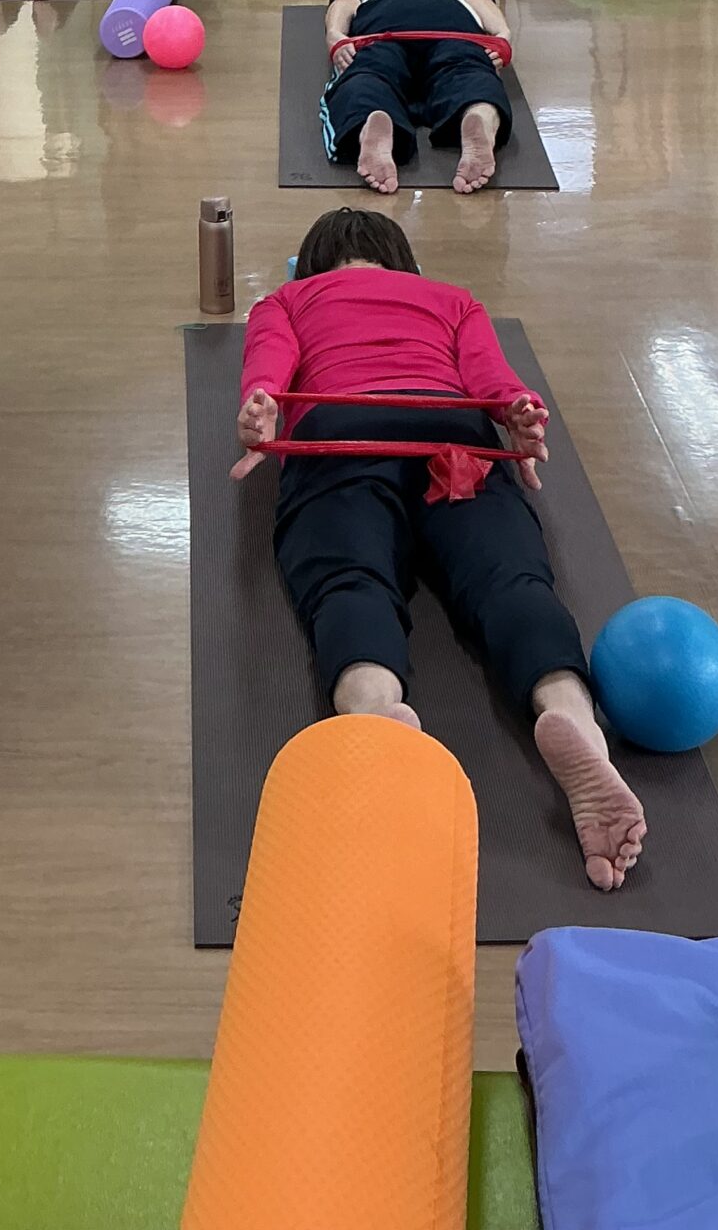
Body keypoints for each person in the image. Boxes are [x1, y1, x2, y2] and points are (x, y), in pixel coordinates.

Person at [234, 208, 646, 893]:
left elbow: (267, 367)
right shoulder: (452, 298)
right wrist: (516, 409)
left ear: (311, 265)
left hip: (343, 431)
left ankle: (377, 711)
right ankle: (571, 716)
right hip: (453, 436)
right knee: (511, 582)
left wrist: (264, 403)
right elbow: (491, 377)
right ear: (404, 264)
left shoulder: (287, 299)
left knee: (351, 579)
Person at [323, 0, 513, 195]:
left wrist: (336, 36)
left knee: (369, 75)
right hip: (451, 21)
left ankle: (371, 116)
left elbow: (345, 0)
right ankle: (479, 112)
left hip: (384, 22)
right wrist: (502, 35)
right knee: (468, 73)